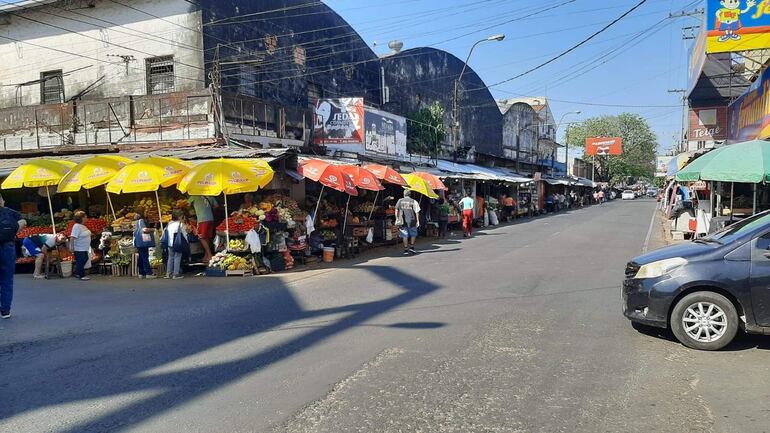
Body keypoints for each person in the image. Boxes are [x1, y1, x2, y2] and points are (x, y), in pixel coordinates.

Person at [0, 194, 26, 319]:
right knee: (7, 280)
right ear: (2, 201)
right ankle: (5, 310)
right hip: (8, 247)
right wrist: (13, 232)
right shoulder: (10, 212)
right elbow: (23, 221)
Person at [188, 195, 218, 263]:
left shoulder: (194, 195)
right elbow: (216, 206)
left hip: (202, 219)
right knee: (207, 237)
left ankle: (210, 255)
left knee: (201, 237)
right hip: (210, 219)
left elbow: (187, 204)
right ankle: (206, 256)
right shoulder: (210, 195)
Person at [395, 189, 420, 255]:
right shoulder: (414, 201)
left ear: (404, 194)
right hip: (412, 220)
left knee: (404, 235)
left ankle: (406, 249)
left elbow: (396, 210)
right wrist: (418, 220)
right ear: (410, 194)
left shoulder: (400, 201)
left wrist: (397, 218)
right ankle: (411, 247)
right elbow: (417, 212)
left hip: (402, 221)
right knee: (413, 234)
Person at [133, 212, 157, 279]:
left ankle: (141, 273)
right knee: (144, 257)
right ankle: (149, 273)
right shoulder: (141, 221)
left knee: (141, 257)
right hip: (142, 241)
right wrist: (153, 229)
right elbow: (144, 229)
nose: (146, 213)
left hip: (138, 241)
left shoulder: (137, 222)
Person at [165, 210, 188, 280]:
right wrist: (186, 241)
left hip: (169, 242)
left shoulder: (169, 224)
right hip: (177, 243)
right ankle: (176, 274)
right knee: (177, 257)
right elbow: (184, 234)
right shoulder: (180, 224)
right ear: (179, 217)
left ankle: (168, 273)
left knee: (170, 257)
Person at [69, 210, 91, 281]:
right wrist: (71, 247)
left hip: (84, 248)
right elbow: (72, 237)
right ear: (82, 218)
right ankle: (81, 275)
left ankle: (78, 272)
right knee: (81, 260)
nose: (87, 218)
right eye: (85, 217)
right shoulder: (77, 226)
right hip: (79, 248)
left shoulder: (82, 226)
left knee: (85, 259)